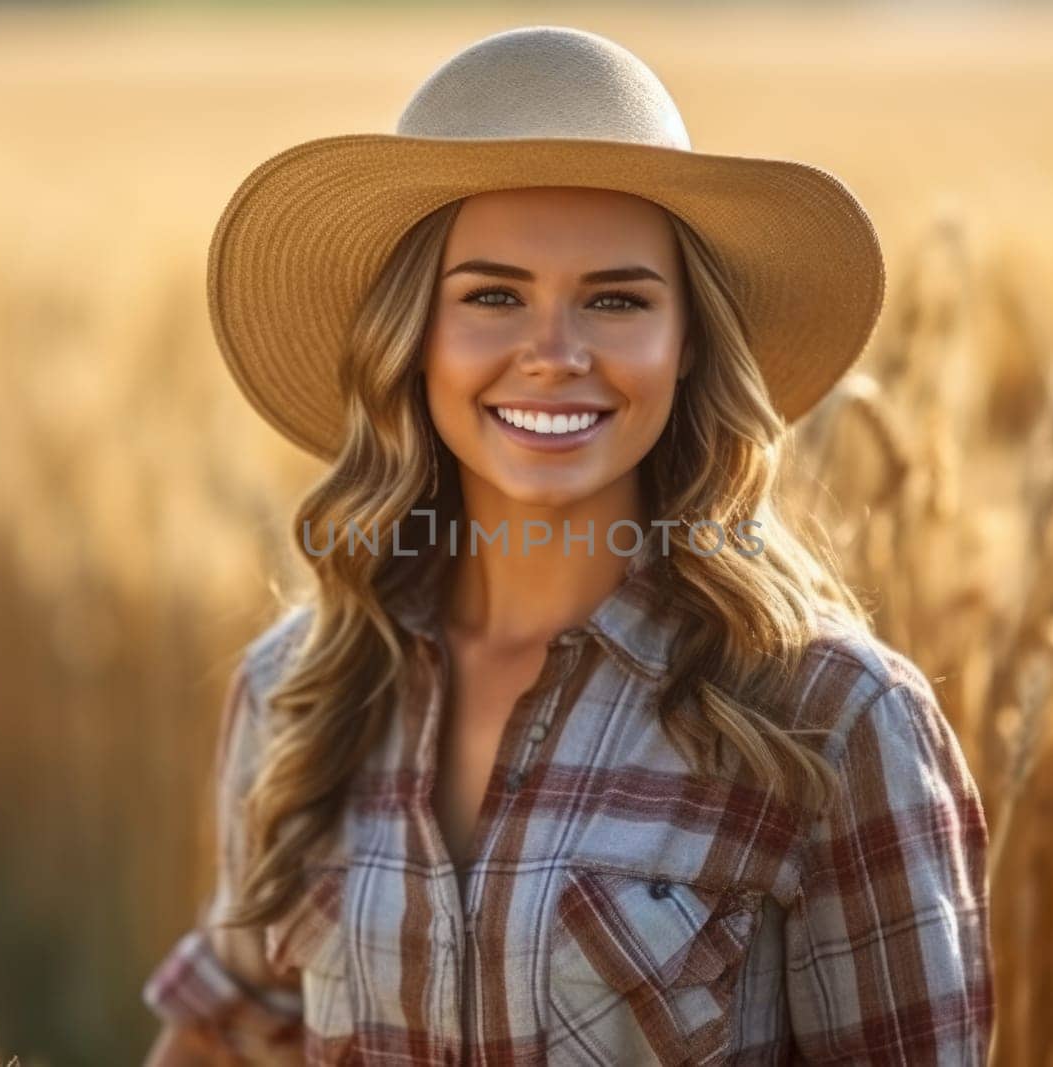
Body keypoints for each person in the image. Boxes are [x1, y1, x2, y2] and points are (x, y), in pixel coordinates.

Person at [143, 24, 993, 1067]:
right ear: (412, 338)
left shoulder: (831, 719)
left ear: (687, 348)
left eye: (616, 299)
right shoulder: (302, 689)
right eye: (492, 295)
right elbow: (222, 1033)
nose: (553, 354)